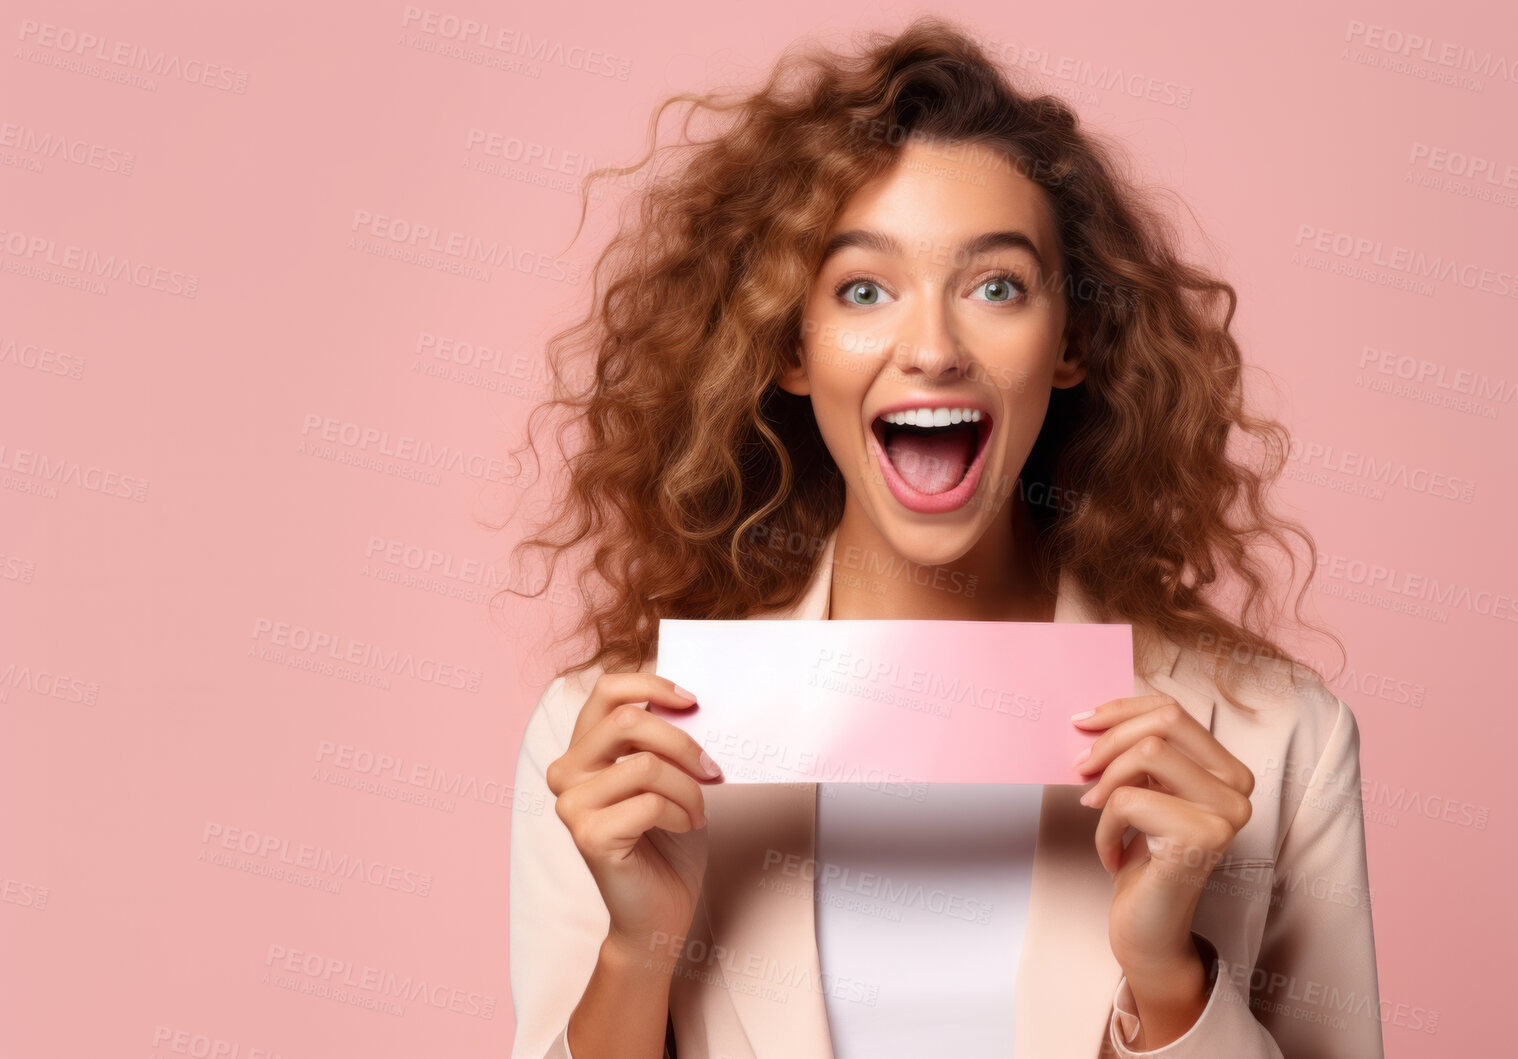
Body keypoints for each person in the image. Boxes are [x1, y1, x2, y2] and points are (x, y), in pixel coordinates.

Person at [505, 16, 1382, 1059]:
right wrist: (639, 951)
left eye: (995, 287)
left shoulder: (1276, 742)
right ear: (790, 346)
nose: (931, 349)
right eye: (863, 289)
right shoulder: (612, 751)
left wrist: (1168, 982)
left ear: (1072, 343)